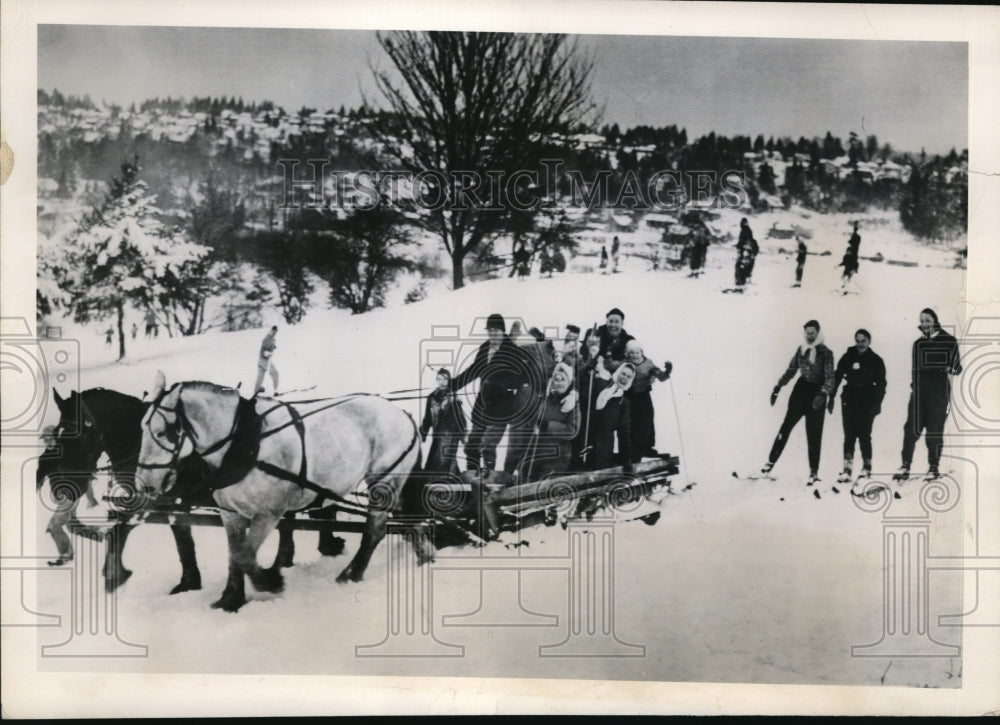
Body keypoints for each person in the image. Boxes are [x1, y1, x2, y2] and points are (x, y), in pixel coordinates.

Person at [450, 313, 531, 474]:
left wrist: (500, 385)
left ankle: (488, 479)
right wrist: (454, 384)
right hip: (482, 406)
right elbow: (474, 369)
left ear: (502, 331)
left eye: (496, 330)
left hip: (501, 408)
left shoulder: (512, 351)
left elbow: (523, 376)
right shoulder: (485, 347)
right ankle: (473, 480)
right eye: (490, 330)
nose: (493, 334)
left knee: (487, 446)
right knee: (471, 446)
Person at [761, 320, 835, 485]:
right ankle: (770, 463)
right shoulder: (801, 350)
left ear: (818, 333)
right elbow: (791, 370)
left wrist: (823, 395)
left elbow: (830, 378)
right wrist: (778, 386)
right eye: (807, 333)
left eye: (812, 333)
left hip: (817, 395)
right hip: (800, 392)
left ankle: (813, 472)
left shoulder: (826, 353)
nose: (809, 336)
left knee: (813, 434)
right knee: (785, 427)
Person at [894, 308, 963, 481]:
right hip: (919, 393)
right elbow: (914, 370)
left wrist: (948, 367)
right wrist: (915, 387)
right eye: (922, 321)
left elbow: (957, 368)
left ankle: (933, 467)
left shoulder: (949, 340)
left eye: (927, 320)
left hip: (939, 394)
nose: (924, 324)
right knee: (911, 429)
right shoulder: (918, 344)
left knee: (934, 431)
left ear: (935, 321)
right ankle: (905, 466)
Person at [829, 329, 887, 487]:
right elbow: (838, 375)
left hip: (867, 400)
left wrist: (877, 404)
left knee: (864, 434)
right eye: (858, 340)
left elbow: (882, 385)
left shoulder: (876, 360)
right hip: (849, 399)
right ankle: (847, 470)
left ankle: (866, 468)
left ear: (869, 341)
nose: (860, 343)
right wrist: (832, 396)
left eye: (863, 341)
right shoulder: (847, 357)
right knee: (849, 434)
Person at [514, 362, 580, 483]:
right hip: (537, 452)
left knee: (543, 488)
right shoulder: (544, 399)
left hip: (557, 456)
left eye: (563, 379)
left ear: (569, 383)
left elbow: (572, 429)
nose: (558, 382)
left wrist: (547, 426)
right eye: (556, 378)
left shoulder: (571, 404)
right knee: (525, 483)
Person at [624, 340, 673, 461]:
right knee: (632, 423)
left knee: (647, 421)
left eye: (637, 352)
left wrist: (667, 371)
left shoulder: (648, 364)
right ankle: (634, 451)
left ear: (642, 353)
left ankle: (647, 447)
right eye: (632, 353)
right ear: (628, 354)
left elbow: (660, 376)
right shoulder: (626, 364)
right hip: (629, 397)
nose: (635, 355)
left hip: (643, 396)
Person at [419, 368, 468, 477]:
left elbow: (460, 418)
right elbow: (427, 418)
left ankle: (446, 482)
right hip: (437, 435)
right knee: (436, 461)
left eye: (444, 379)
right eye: (439, 379)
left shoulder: (453, 397)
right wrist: (423, 433)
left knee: (444, 460)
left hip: (450, 435)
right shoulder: (431, 397)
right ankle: (451, 480)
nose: (442, 382)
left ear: (449, 380)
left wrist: (463, 436)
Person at [589, 360, 636, 471]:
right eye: (623, 374)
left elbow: (624, 432)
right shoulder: (602, 385)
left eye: (629, 376)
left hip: (604, 447)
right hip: (587, 441)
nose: (624, 378)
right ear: (618, 372)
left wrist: (626, 458)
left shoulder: (624, 402)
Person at [595, 307, 635, 373]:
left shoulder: (628, 340)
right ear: (606, 322)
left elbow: (638, 358)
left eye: (617, 322)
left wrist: (621, 363)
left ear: (622, 324)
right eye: (610, 321)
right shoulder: (595, 336)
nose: (613, 325)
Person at [254, 325, 280, 395]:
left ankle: (256, 389)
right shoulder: (267, 339)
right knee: (275, 374)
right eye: (274, 331)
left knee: (260, 376)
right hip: (265, 361)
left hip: (261, 361)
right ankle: (276, 391)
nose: (275, 333)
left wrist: (273, 347)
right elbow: (263, 351)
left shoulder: (270, 339)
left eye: (276, 332)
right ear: (271, 331)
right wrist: (269, 353)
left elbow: (266, 347)